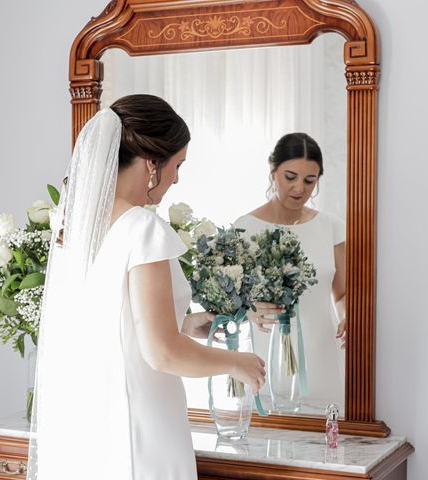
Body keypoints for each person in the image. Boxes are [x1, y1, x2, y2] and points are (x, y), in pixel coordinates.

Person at [27, 94, 266, 480]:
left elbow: (110, 322)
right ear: (152, 165)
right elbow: (162, 354)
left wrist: (186, 325)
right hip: (141, 429)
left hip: (91, 431)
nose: (177, 178)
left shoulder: (74, 228)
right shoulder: (144, 228)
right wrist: (238, 363)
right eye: (178, 165)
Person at [233, 132, 346, 413]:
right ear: (273, 172)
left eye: (310, 181)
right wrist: (249, 310)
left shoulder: (331, 226)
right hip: (265, 357)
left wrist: (348, 317)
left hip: (323, 356)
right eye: (290, 177)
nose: (299, 188)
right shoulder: (245, 227)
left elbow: (343, 293)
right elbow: (232, 302)